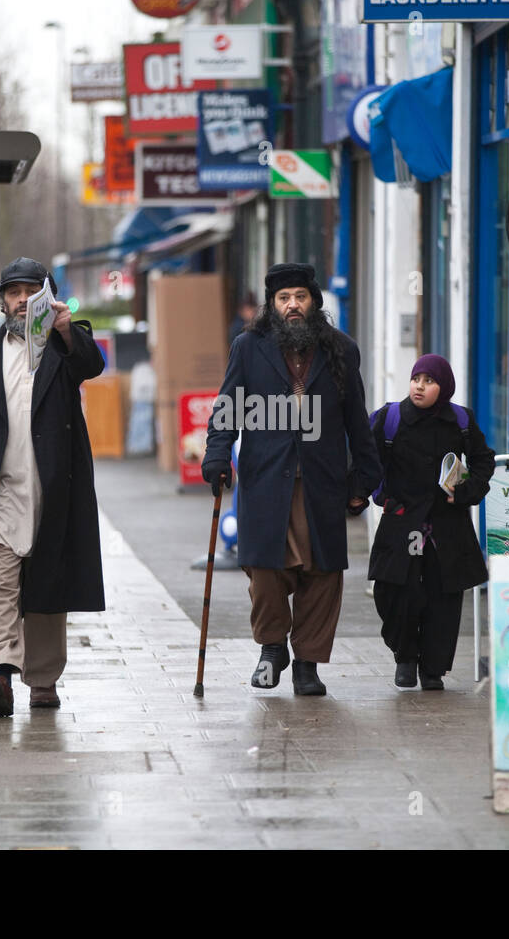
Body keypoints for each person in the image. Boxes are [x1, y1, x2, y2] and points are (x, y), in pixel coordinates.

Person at [203, 262, 382, 696]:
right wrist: (217, 455)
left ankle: (307, 664)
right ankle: (271, 647)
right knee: (264, 570)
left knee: (322, 574)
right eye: (284, 299)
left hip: (322, 481)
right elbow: (227, 407)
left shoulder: (341, 349)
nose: (293, 306)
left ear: (314, 302)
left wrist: (364, 475)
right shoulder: (248, 347)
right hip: (266, 480)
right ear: (272, 305)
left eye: (300, 297)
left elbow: (356, 418)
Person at [0, 256, 106, 717]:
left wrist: (67, 330)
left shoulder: (64, 348)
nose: (21, 300)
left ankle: (43, 679)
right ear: (2, 301)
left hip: (52, 488)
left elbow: (92, 366)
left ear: (46, 297)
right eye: (13, 292)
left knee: (48, 586)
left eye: (30, 292)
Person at [367, 355, 496, 690]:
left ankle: (433, 669)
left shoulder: (460, 420)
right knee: (394, 590)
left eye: (429, 380)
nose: (420, 386)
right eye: (416, 379)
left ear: (445, 387)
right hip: (402, 520)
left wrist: (466, 492)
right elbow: (366, 458)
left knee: (444, 596)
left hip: (446, 523)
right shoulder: (389, 418)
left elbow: (483, 460)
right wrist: (380, 496)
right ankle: (405, 656)